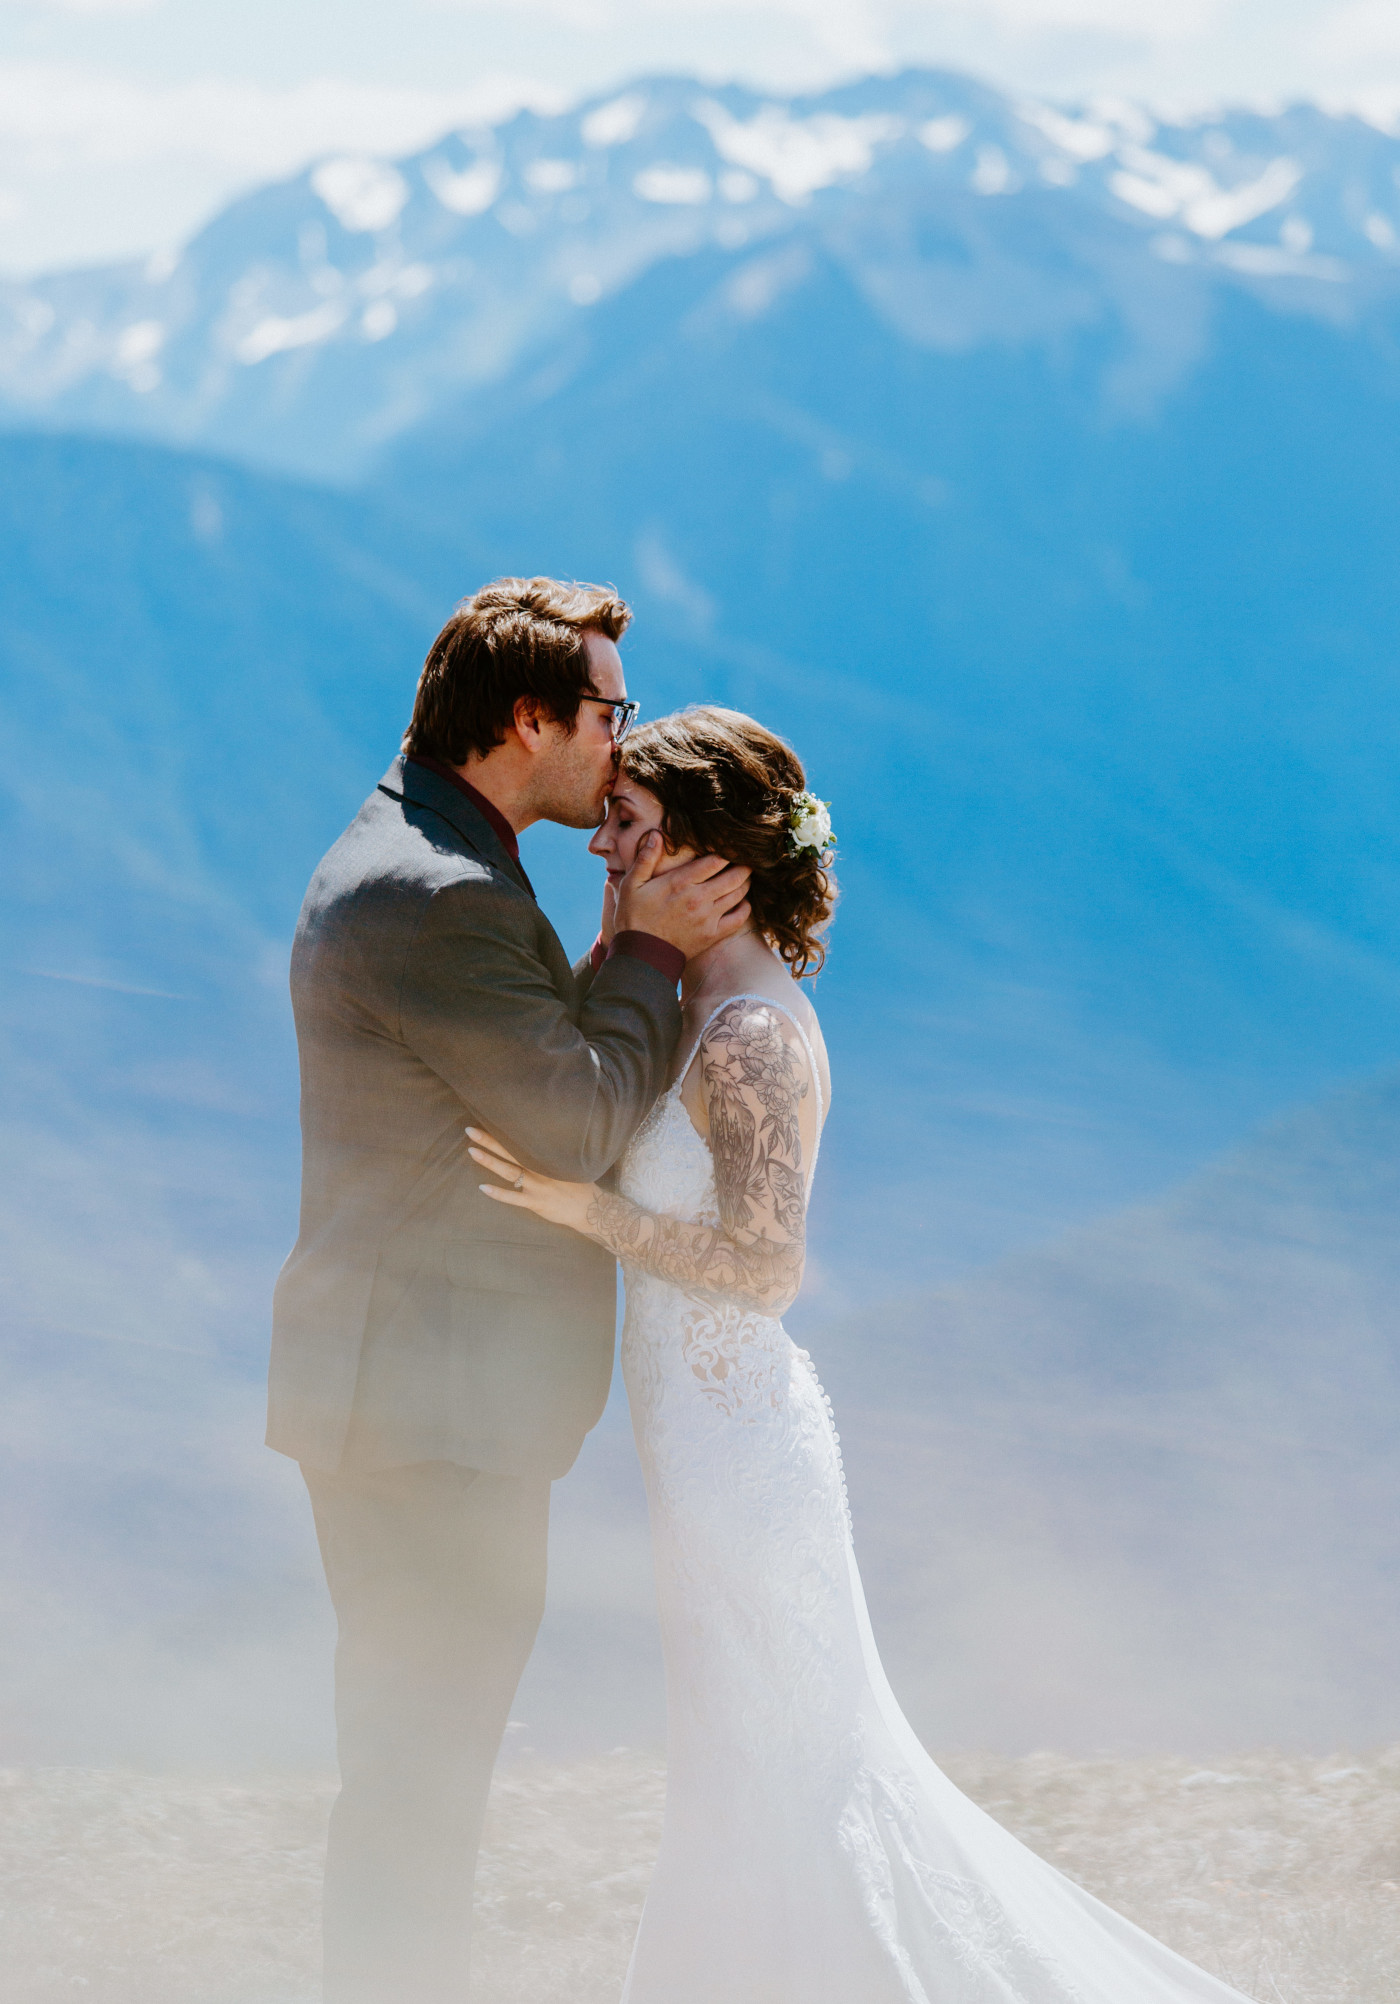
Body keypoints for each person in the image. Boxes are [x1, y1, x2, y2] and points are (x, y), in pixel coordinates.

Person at [467, 705, 1265, 2004]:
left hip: (742, 1453)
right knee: (737, 1761)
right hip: (697, 1443)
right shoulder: (690, 991)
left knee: (781, 1768)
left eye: (630, 827)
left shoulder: (753, 1038)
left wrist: (585, 1212)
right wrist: (628, 936)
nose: (601, 844)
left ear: (712, 855)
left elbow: (767, 1269)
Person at [266, 581, 751, 2004]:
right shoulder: (442, 894)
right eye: (611, 712)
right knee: (423, 1776)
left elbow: (523, 1061)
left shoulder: (422, 851)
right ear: (529, 718)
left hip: (414, 1399)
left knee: (419, 1768)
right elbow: (579, 1119)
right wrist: (657, 950)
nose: (625, 742)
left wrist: (611, 950)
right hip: (435, 1416)